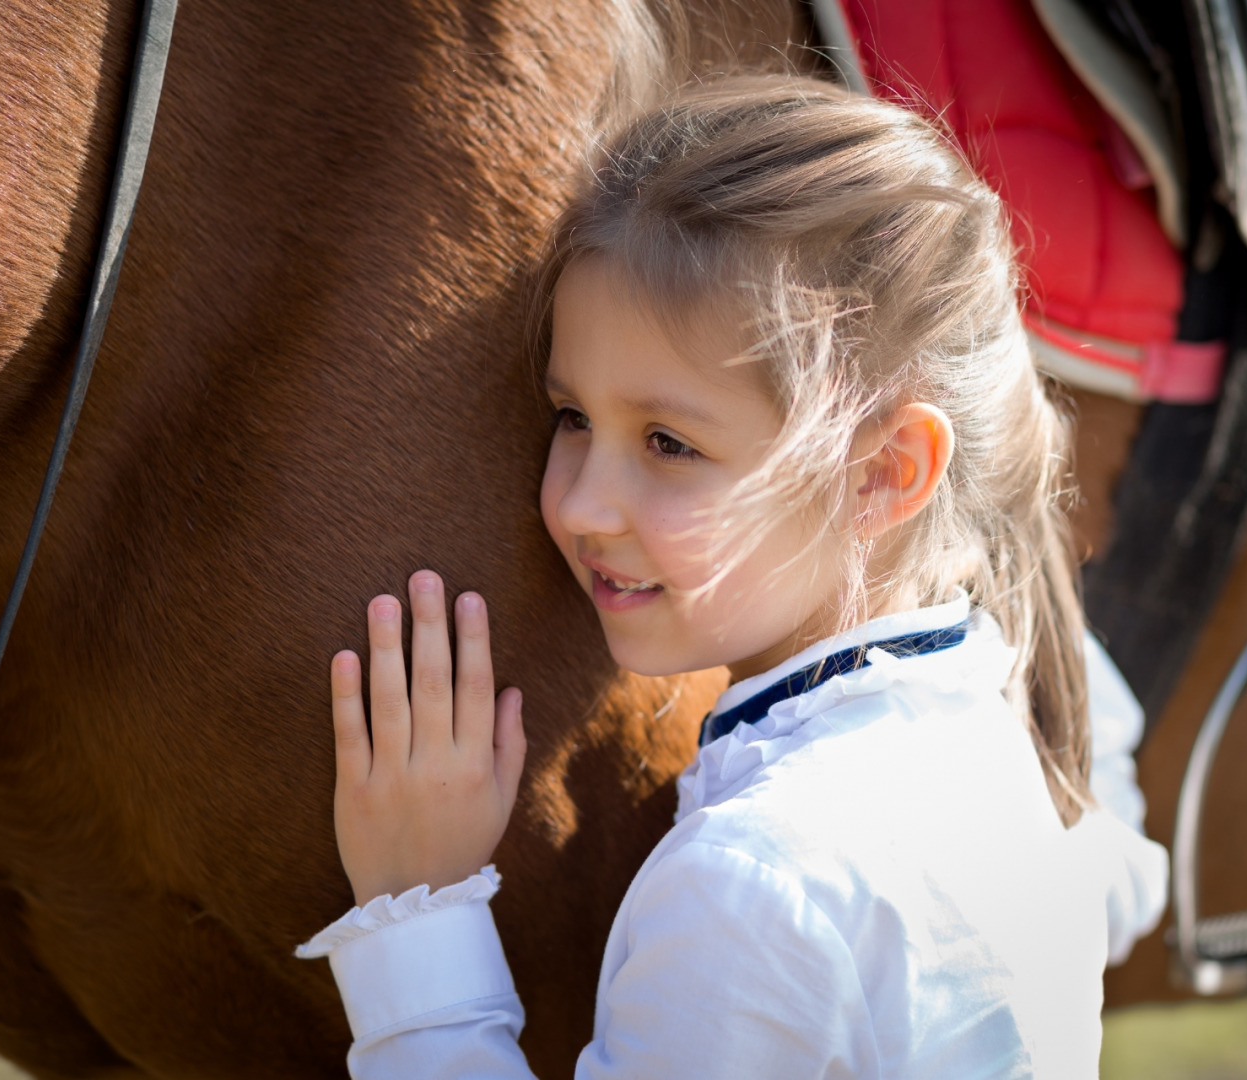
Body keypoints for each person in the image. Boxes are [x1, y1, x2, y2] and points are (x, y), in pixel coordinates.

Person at [297, 75, 1168, 1077]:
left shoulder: (749, 886)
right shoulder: (997, 709)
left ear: (886, 475)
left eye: (667, 442)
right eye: (572, 418)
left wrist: (419, 914)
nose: (579, 504)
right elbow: (1117, 871)